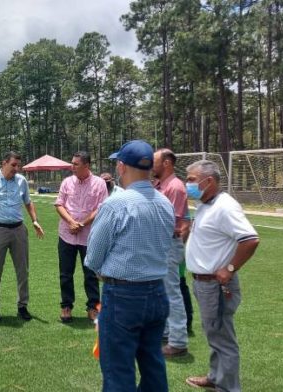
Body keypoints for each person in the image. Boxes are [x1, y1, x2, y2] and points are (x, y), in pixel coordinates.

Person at [84, 140, 175, 392]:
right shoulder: (164, 202)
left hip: (123, 296)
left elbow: (92, 258)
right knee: (153, 366)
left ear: (121, 166)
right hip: (157, 292)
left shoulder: (116, 204)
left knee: (118, 372)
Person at [184, 160, 259, 391]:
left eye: (191, 180)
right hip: (203, 282)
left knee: (222, 337)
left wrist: (229, 269)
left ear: (209, 181)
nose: (187, 184)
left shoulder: (225, 206)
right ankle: (216, 377)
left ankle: (227, 387)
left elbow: (250, 239)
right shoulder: (206, 203)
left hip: (215, 285)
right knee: (214, 333)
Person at [0, 151, 44, 323]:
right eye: (13, 165)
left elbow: (28, 202)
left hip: (19, 230)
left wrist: (35, 221)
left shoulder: (21, 181)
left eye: (18, 166)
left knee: (23, 270)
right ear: (4, 163)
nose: (16, 169)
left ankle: (22, 306)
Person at [54, 151, 108, 323]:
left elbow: (101, 208)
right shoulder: (67, 182)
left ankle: (93, 308)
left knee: (91, 274)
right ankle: (66, 307)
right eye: (72, 163)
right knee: (65, 274)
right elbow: (59, 204)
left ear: (86, 165)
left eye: (76, 164)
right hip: (66, 235)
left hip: (89, 236)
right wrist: (71, 222)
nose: (72, 166)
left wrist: (82, 224)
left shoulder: (99, 183)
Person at [152, 148, 191, 357]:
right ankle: (167, 332)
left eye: (154, 161)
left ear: (167, 163)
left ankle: (178, 341)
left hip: (167, 244)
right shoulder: (161, 185)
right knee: (164, 291)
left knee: (172, 293)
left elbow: (167, 221)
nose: (151, 165)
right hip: (161, 245)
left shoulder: (174, 187)